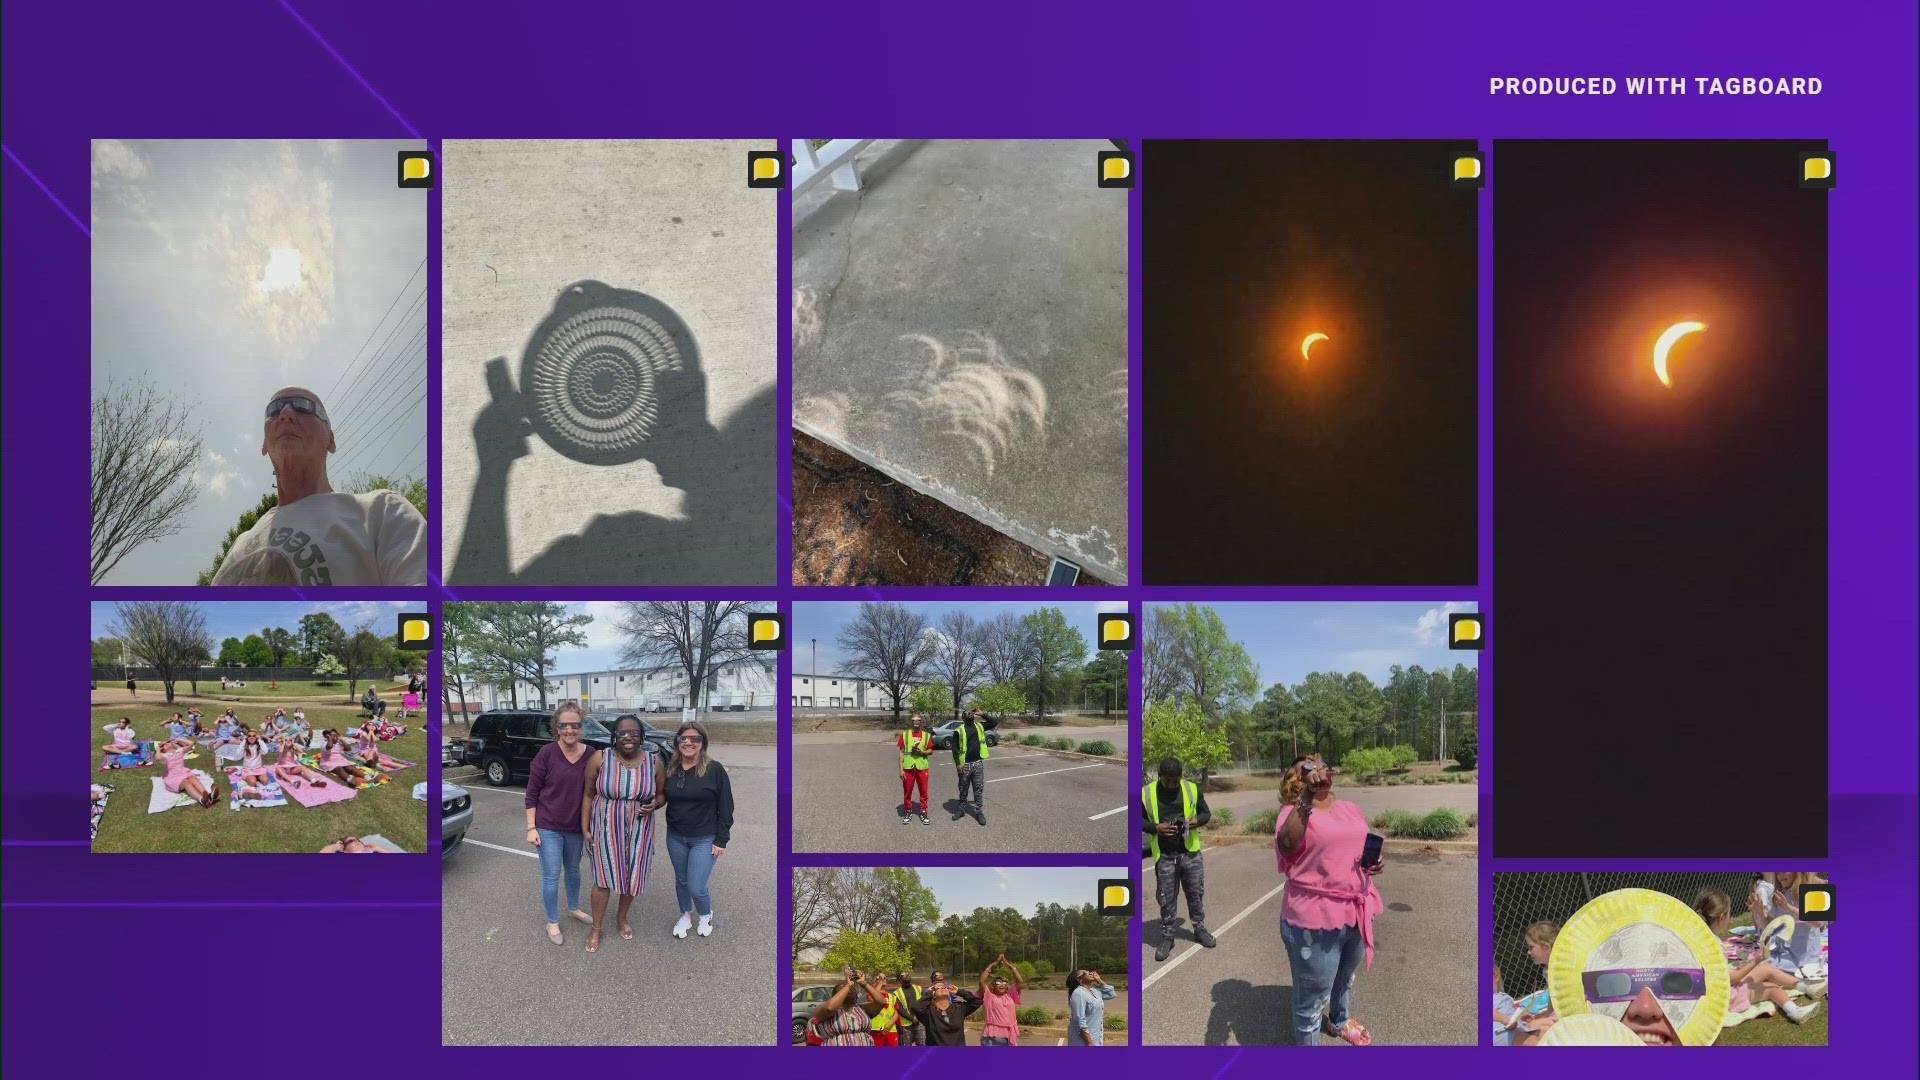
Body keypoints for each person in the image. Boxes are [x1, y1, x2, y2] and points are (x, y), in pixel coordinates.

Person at [210, 387, 427, 585]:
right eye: (273, 410)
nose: (285, 414)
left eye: (304, 407)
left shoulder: (384, 511)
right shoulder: (242, 541)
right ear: (264, 445)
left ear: (331, 441)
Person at [1275, 754, 1384, 1045]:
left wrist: (1370, 864)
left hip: (1357, 911)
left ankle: (1339, 1019)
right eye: (1307, 768)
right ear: (1297, 781)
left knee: (1345, 978)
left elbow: (1356, 849)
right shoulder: (1293, 812)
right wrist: (1308, 797)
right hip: (1313, 922)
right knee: (1311, 1001)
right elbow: (1286, 847)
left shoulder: (1350, 808)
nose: (1317, 769)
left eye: (1320, 763)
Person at [581, 715, 662, 953]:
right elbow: (587, 794)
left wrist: (655, 804)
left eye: (634, 733)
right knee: (603, 879)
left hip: (640, 829)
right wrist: (585, 828)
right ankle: (596, 928)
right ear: (614, 736)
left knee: (631, 877)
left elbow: (662, 794)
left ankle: (621, 918)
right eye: (622, 733)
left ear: (642, 736)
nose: (628, 737)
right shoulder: (600, 758)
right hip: (605, 828)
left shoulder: (653, 762)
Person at [1695, 889, 1823, 1023]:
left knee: (1766, 968)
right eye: (1729, 914)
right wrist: (1755, 961)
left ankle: (1805, 987)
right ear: (1721, 918)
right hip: (1724, 997)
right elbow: (1730, 980)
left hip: (1713, 988)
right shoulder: (1714, 947)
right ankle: (1795, 1011)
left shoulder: (1700, 938)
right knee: (1771, 988)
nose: (1731, 918)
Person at [526, 701, 595, 945]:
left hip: (576, 828)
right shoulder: (546, 754)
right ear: (557, 727)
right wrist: (531, 827)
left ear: (581, 727)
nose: (569, 730)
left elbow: (599, 790)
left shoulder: (591, 755)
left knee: (574, 870)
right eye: (564, 725)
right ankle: (552, 921)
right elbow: (532, 793)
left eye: (574, 725)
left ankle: (574, 908)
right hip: (548, 827)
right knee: (551, 875)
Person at [661, 720, 733, 939]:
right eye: (684, 738)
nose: (689, 742)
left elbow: (726, 806)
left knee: (696, 885)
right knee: (681, 880)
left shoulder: (714, 770)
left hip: (704, 838)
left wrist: (721, 840)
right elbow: (661, 796)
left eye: (695, 738)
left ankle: (705, 914)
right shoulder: (671, 768)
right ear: (677, 742)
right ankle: (685, 915)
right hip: (675, 836)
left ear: (703, 743)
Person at [1144, 757, 1214, 962]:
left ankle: (1199, 929)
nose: (1173, 785)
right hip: (1165, 856)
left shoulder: (1191, 789)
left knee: (1195, 894)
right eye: (1168, 781)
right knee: (1166, 898)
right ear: (1160, 776)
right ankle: (1167, 936)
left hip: (1189, 853)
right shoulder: (1146, 793)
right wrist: (1156, 828)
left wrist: (1196, 821)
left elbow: (1206, 813)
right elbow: (1136, 820)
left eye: (1176, 780)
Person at [812, 970, 891, 1046]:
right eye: (843, 987)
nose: (850, 988)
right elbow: (829, 1008)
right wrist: (848, 985)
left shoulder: (861, 1009)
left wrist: (863, 983)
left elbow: (882, 1002)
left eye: (853, 987)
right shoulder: (826, 1008)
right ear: (835, 994)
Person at [950, 707, 992, 825]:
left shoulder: (980, 726)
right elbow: (954, 749)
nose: (969, 713)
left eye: (971, 712)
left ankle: (979, 812)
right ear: (963, 717)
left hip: (978, 763)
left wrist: (983, 714)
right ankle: (961, 809)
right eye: (966, 712)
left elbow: (994, 722)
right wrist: (958, 764)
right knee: (963, 788)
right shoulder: (959, 731)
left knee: (978, 789)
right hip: (965, 765)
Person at [908, 978, 980, 1046]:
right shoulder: (928, 1013)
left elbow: (977, 1001)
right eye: (938, 987)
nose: (943, 988)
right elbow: (916, 1007)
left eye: (944, 986)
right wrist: (928, 994)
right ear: (933, 994)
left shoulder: (959, 1008)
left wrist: (959, 991)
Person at [977, 953, 1025, 1045]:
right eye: (998, 983)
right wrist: (991, 965)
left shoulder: (1010, 995)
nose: (1002, 984)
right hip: (992, 1038)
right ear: (993, 986)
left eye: (1004, 983)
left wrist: (1011, 967)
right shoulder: (989, 996)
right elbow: (981, 982)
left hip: (1010, 1035)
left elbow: (1020, 982)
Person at [157, 738, 217, 808]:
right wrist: (158, 749)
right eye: (163, 745)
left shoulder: (179, 751)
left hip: (183, 773)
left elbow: (191, 744)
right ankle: (202, 800)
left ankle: (208, 795)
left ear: (171, 743)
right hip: (173, 778)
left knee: (192, 778)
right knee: (186, 782)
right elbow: (158, 758)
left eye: (167, 742)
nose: (166, 744)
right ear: (163, 750)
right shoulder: (165, 757)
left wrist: (178, 739)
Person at [897, 714, 933, 824]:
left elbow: (930, 751)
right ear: (911, 722)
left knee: (924, 791)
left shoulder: (926, 735)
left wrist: (922, 752)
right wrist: (901, 769)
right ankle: (908, 811)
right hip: (908, 767)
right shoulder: (905, 735)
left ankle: (923, 811)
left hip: (922, 767)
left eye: (918, 720)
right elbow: (901, 752)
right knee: (907, 791)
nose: (916, 722)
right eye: (914, 720)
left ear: (921, 722)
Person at [1067, 969, 1116, 1046]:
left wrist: (1099, 980)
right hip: (1083, 1040)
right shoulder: (1078, 993)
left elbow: (1112, 994)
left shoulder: (1095, 991)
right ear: (1079, 979)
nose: (1090, 973)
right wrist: (1089, 1042)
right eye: (1085, 973)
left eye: (1089, 971)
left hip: (1096, 1037)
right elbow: (1079, 1019)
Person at [889, 971, 929, 1046]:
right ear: (900, 980)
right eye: (903, 975)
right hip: (906, 1025)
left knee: (922, 1045)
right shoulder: (896, 993)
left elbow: (924, 1003)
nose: (906, 976)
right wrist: (912, 1018)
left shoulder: (919, 988)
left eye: (907, 974)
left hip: (920, 1022)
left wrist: (919, 1016)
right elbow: (899, 1009)